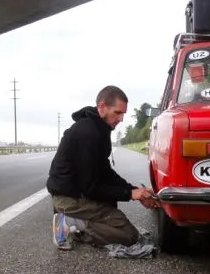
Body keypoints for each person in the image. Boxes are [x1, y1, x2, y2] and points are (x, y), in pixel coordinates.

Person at [46, 85, 159, 250]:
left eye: (123, 114)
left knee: (112, 207)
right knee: (129, 236)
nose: (121, 119)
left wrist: (135, 191)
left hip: (76, 195)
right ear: (102, 107)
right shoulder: (87, 133)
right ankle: (69, 223)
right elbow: (90, 187)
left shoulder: (99, 129)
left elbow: (105, 172)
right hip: (68, 199)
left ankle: (75, 223)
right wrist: (130, 194)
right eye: (118, 113)